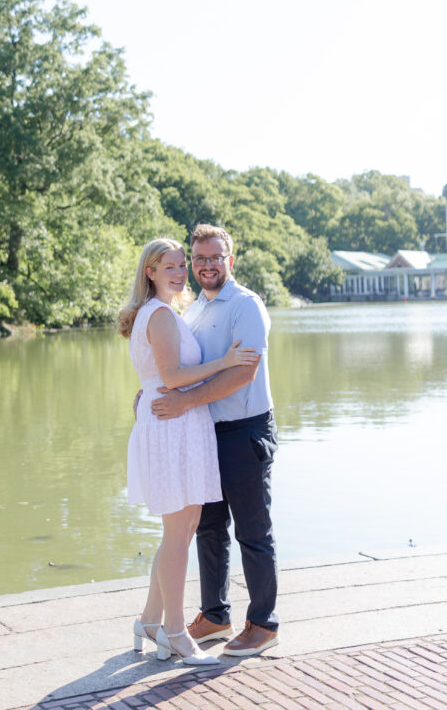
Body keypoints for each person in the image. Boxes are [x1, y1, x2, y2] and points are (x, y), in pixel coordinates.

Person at [118, 237, 259, 666]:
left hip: (178, 424)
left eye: (183, 265)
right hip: (172, 426)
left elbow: (159, 375)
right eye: (171, 267)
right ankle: (175, 632)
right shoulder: (159, 314)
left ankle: (149, 619)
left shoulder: (168, 312)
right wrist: (223, 362)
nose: (181, 273)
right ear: (150, 272)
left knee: (179, 529)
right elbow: (174, 377)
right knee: (179, 533)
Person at [151, 223, 279, 657]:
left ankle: (263, 623)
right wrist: (152, 391)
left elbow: (243, 372)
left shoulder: (245, 305)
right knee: (208, 527)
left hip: (244, 432)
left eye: (214, 257)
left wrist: (185, 402)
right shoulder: (193, 309)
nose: (206, 265)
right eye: (198, 258)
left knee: (252, 531)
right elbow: (182, 367)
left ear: (230, 258)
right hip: (205, 433)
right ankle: (215, 615)